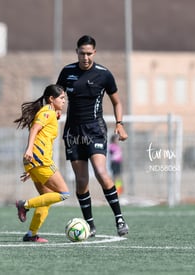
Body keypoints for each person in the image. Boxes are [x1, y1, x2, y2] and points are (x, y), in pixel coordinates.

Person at [56, 35, 129, 237]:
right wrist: (54, 110)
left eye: (89, 53)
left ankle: (119, 219)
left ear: (94, 53)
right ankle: (90, 224)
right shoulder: (67, 72)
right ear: (76, 52)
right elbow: (57, 96)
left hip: (95, 130)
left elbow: (117, 102)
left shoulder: (104, 74)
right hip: (72, 131)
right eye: (82, 53)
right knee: (81, 180)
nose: (85, 57)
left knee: (100, 171)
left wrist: (120, 124)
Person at [14, 84, 70, 243]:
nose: (64, 101)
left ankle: (31, 234)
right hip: (40, 158)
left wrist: (30, 168)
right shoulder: (47, 112)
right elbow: (34, 130)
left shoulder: (51, 113)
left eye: (65, 98)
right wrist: (30, 149)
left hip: (35, 161)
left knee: (46, 199)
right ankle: (24, 205)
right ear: (51, 99)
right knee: (64, 194)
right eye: (61, 98)